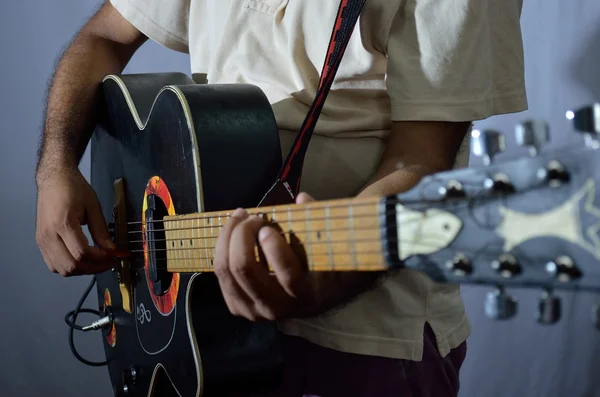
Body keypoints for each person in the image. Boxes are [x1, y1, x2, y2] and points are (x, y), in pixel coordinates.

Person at [34, 0, 527, 396]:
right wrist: (55, 166)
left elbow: (421, 161)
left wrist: (330, 280)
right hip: (203, 332)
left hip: (365, 341)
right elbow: (104, 37)